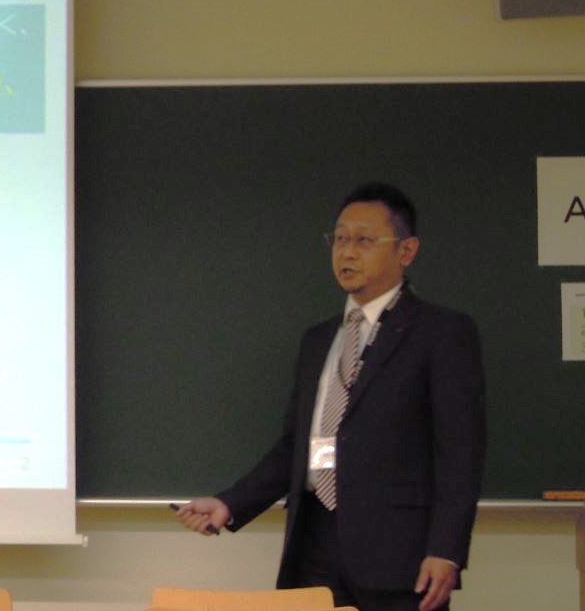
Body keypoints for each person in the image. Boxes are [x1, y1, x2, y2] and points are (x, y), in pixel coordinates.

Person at [174, 183, 485, 611]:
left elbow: (460, 455)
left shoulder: (441, 333)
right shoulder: (319, 340)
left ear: (406, 251)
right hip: (314, 548)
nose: (347, 253)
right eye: (339, 239)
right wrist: (230, 503)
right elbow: (297, 447)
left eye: (364, 240)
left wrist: (446, 550)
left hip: (400, 557)